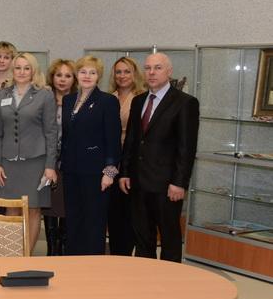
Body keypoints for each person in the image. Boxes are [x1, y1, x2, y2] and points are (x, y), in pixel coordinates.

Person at [120, 53, 199, 262]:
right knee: (142, 236)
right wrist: (125, 172)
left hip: (167, 185)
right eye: (148, 68)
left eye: (158, 68)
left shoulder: (185, 103)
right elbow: (131, 140)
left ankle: (170, 279)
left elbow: (186, 147)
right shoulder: (138, 101)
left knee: (169, 238)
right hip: (138, 182)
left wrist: (179, 182)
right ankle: (145, 278)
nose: (152, 73)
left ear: (169, 71)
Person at [0, 52, 57, 254]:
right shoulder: (3, 95)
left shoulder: (44, 95)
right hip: (7, 163)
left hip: (36, 162)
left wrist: (50, 166)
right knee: (11, 209)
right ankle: (12, 253)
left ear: (33, 71)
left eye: (26, 68)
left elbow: (51, 133)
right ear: (12, 70)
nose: (21, 72)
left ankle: (26, 255)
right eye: (18, 67)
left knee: (33, 209)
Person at [60, 56, 121, 255]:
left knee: (94, 222)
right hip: (71, 170)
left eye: (92, 72)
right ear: (77, 74)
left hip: (96, 173)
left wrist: (110, 173)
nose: (87, 76)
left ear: (99, 76)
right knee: (73, 220)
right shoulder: (68, 100)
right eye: (83, 72)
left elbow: (113, 139)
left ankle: (93, 264)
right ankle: (73, 262)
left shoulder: (107, 101)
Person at [107, 56, 145, 256]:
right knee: (113, 213)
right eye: (118, 72)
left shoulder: (141, 99)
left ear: (135, 74)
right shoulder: (108, 98)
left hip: (131, 163)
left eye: (127, 71)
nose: (122, 76)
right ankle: (116, 254)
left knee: (129, 213)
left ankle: (126, 256)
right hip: (110, 163)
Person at [43, 59, 76, 255]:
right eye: (58, 75)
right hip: (46, 162)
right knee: (48, 207)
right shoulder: (44, 100)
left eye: (67, 76)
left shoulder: (79, 102)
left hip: (69, 163)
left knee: (65, 207)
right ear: (52, 77)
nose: (62, 80)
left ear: (74, 79)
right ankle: (51, 250)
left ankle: (63, 250)